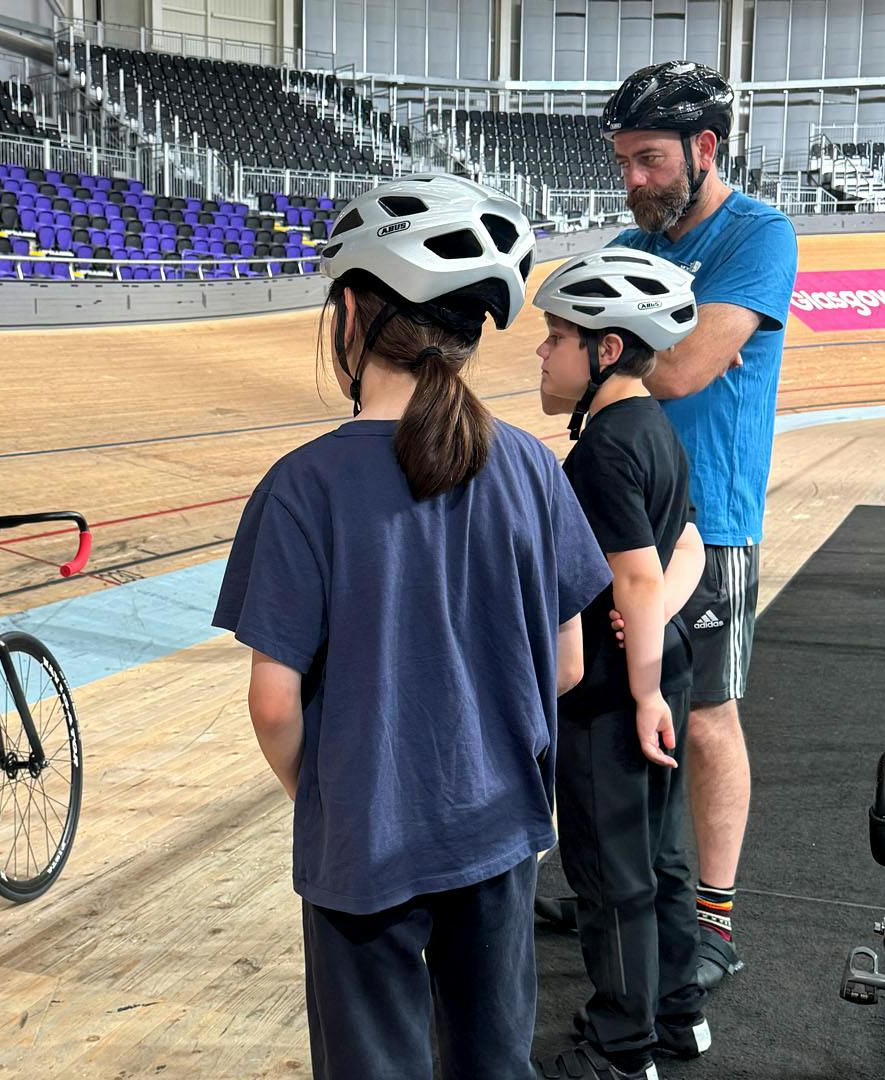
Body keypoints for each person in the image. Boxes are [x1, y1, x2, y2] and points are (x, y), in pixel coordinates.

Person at [212, 174, 611, 1080]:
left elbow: (274, 704)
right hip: (499, 826)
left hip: (365, 842)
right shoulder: (531, 468)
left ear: (352, 312)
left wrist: (336, 796)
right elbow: (568, 662)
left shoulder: (303, 486)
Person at [538, 60, 799, 990]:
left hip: (711, 525)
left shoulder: (759, 235)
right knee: (609, 711)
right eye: (623, 163)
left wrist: (607, 353)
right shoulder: (626, 238)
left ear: (705, 147)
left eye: (649, 160)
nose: (634, 181)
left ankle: (712, 917)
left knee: (707, 716)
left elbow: (681, 370)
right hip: (617, 522)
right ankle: (620, 882)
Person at [529, 249, 711, 1080]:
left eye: (556, 336)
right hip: (664, 665)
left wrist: (637, 689)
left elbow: (636, 572)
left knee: (611, 874)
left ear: (605, 350)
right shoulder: (655, 427)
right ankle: (676, 1018)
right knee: (664, 859)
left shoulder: (602, 447)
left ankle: (619, 1049)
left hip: (612, 694)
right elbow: (689, 548)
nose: (541, 352)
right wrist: (655, 631)